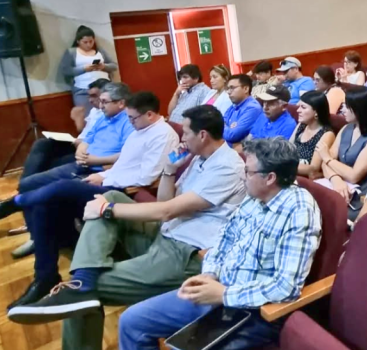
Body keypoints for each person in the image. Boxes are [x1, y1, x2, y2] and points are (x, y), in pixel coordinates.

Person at [7, 105, 247, 350]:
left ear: (203, 135)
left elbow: (167, 210)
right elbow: (164, 202)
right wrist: (169, 169)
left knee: (82, 295)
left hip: (184, 254)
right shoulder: (199, 159)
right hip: (165, 233)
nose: (182, 138)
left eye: (186, 132)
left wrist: (107, 211)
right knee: (110, 195)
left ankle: (83, 284)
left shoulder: (227, 167)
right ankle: (84, 277)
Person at [118, 137, 321, 350]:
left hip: (253, 310)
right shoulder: (255, 196)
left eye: (248, 171)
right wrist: (210, 273)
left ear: (270, 177)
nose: (243, 177)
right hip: (217, 290)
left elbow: (286, 286)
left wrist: (224, 294)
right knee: (132, 322)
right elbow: (224, 239)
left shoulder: (299, 210)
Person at [3, 92, 179, 308]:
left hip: (122, 190)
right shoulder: (139, 130)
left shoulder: (163, 135)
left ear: (150, 114)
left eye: (133, 118)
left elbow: (147, 176)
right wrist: (101, 175)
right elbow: (122, 164)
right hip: (108, 179)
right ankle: (44, 277)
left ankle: (17, 202)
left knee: (61, 187)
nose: (130, 122)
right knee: (44, 204)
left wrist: (105, 179)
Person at [8, 78, 110, 260]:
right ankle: (24, 193)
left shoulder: (116, 116)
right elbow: (84, 134)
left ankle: (22, 201)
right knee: (42, 144)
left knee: (46, 171)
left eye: (96, 97)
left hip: (90, 157)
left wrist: (83, 146)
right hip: (82, 150)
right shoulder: (96, 112)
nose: (93, 101)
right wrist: (78, 124)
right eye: (91, 97)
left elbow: (101, 145)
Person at [0, 83, 134, 202]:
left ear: (121, 103)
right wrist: (81, 149)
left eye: (105, 102)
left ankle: (14, 204)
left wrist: (95, 160)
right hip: (81, 164)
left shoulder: (129, 122)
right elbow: (87, 139)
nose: (101, 106)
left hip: (98, 170)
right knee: (26, 184)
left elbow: (128, 155)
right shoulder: (103, 117)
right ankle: (16, 202)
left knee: (45, 192)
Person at [316, 87, 367, 219]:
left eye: (347, 106)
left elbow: (354, 176)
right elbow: (324, 163)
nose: (342, 110)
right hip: (338, 186)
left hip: (357, 195)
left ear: (360, 109)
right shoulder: (347, 128)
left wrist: (328, 159)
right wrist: (336, 179)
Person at [58, 25, 118, 109]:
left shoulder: (99, 51)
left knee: (107, 112)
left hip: (104, 87)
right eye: (85, 42)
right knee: (87, 117)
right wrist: (84, 69)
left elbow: (114, 66)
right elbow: (65, 70)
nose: (88, 44)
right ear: (78, 41)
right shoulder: (71, 52)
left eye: (91, 41)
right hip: (83, 89)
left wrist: (103, 66)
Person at [289, 90, 336, 178]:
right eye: (299, 106)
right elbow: (288, 147)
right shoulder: (302, 125)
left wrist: (282, 165)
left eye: (303, 107)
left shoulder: (326, 134)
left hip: (303, 178)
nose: (298, 110)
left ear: (316, 112)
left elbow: (313, 169)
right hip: (290, 173)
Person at [222, 74, 262, 145]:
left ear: (246, 89)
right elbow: (219, 124)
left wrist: (223, 126)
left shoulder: (252, 108)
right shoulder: (233, 106)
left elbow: (232, 135)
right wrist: (225, 127)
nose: (228, 92)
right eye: (228, 88)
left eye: (232, 88)